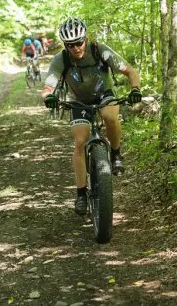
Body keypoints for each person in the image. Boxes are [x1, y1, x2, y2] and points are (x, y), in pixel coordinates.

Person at [41, 17, 142, 215]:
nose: (76, 48)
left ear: (85, 39)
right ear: (65, 46)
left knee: (110, 116)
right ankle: (81, 194)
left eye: (79, 42)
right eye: (71, 45)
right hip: (78, 100)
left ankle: (115, 154)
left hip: (104, 93)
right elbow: (48, 87)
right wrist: (49, 97)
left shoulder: (100, 50)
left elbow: (130, 71)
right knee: (80, 142)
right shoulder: (60, 60)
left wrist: (135, 89)